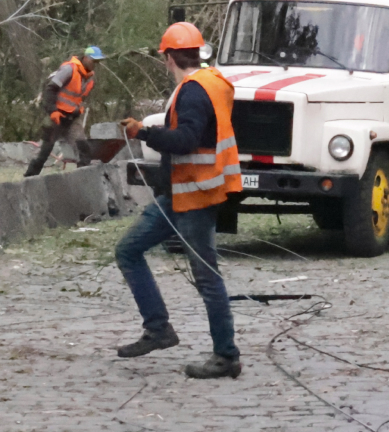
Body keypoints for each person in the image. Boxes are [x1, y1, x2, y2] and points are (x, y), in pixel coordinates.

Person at [113, 22, 243, 379]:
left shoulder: (193, 91)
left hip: (196, 195)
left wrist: (145, 132)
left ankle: (226, 355)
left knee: (206, 277)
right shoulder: (214, 81)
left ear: (169, 57)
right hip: (181, 193)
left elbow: (186, 139)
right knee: (128, 250)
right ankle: (158, 329)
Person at [25, 46, 106, 177]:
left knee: (83, 149)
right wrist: (53, 111)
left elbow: (79, 97)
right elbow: (50, 90)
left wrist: (79, 108)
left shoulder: (90, 78)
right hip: (57, 116)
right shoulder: (69, 69)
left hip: (72, 118)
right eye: (93, 60)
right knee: (44, 152)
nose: (95, 64)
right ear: (85, 58)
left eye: (97, 62)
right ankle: (29, 179)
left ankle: (83, 178)